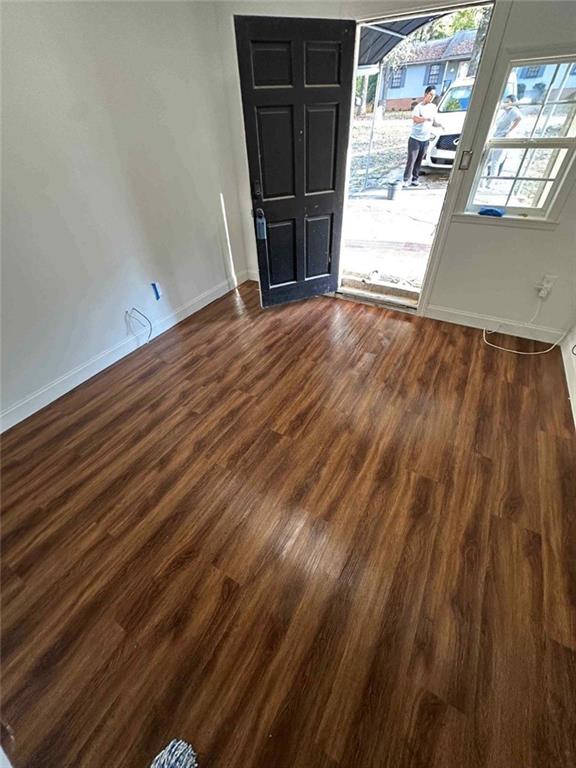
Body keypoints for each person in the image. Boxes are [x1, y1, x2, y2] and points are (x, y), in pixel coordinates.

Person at [403, 86, 444, 187]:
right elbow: (416, 119)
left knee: (419, 160)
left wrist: (440, 125)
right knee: (411, 160)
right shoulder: (418, 107)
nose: (431, 97)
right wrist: (425, 119)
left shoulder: (433, 108)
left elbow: (433, 121)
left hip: (425, 139)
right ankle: (405, 179)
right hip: (415, 139)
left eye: (433, 95)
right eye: (430, 95)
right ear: (425, 94)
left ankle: (415, 179)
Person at [486, 94, 522, 181]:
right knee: (487, 160)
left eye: (507, 102)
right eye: (504, 102)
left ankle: (490, 182)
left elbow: (519, 118)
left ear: (512, 103)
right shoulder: (504, 112)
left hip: (502, 138)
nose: (505, 103)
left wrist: (510, 132)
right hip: (496, 137)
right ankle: (483, 182)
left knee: (495, 161)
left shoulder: (513, 111)